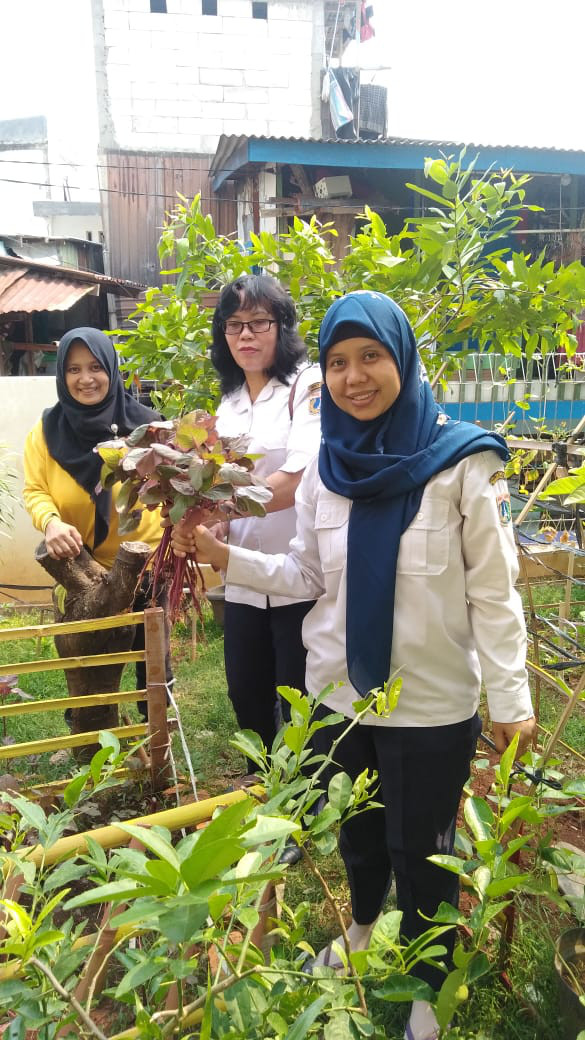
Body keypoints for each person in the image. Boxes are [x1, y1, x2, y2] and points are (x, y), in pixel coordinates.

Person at [172, 291, 536, 1040]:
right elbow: (307, 575)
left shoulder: (465, 464)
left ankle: (427, 990)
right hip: (337, 696)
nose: (353, 376)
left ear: (400, 358)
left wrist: (511, 699)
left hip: (431, 705)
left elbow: (494, 598)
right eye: (336, 362)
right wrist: (224, 556)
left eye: (370, 356)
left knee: (424, 853)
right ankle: (363, 928)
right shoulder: (325, 471)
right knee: (360, 834)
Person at [178, 275, 321, 783]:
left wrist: (223, 511)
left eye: (259, 322)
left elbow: (298, 480)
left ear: (281, 326)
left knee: (298, 695)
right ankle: (264, 789)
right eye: (234, 325)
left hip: (295, 578)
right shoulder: (229, 402)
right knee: (246, 690)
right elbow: (214, 484)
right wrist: (195, 523)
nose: (246, 335)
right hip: (240, 580)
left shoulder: (307, 387)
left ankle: (306, 804)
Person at [23, 327, 172, 716]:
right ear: (62, 376)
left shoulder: (149, 428)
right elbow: (35, 489)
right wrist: (51, 522)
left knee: (153, 671)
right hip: (80, 569)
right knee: (86, 667)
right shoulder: (47, 431)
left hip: (145, 566)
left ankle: (157, 748)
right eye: (73, 369)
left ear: (111, 368)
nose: (85, 378)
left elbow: (172, 491)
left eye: (94, 367)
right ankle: (91, 746)